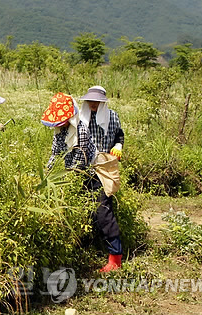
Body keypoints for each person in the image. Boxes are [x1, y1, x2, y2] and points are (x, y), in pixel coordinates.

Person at [80, 85, 125, 272]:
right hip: (83, 167)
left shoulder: (112, 117)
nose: (92, 104)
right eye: (90, 101)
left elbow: (119, 136)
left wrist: (119, 146)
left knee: (103, 210)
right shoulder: (81, 117)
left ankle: (115, 258)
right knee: (85, 207)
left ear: (103, 102)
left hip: (104, 167)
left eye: (96, 101)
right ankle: (87, 247)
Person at [42, 92, 96, 171]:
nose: (60, 125)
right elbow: (55, 153)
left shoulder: (81, 131)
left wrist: (69, 178)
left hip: (86, 170)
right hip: (68, 167)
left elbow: (79, 162)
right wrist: (47, 170)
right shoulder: (59, 130)